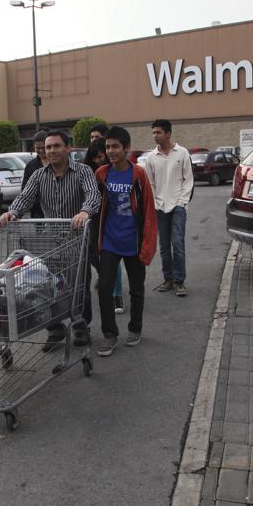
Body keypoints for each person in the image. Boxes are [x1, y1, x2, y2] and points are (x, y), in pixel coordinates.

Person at [0, 130, 101, 351]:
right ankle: (54, 328)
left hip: (77, 239)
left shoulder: (82, 171)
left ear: (68, 148)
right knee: (46, 284)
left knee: (77, 285)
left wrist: (84, 211)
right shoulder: (39, 175)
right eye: (48, 147)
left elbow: (93, 195)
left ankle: (80, 326)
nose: (52, 151)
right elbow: (25, 197)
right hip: (49, 241)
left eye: (56, 146)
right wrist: (13, 212)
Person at [94, 126, 157, 357]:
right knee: (104, 288)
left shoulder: (138, 174)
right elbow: (95, 207)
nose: (110, 151)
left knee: (137, 289)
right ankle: (110, 334)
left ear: (126, 148)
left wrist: (148, 245)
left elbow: (149, 210)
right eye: (108, 147)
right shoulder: (101, 173)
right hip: (110, 242)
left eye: (115, 147)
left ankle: (135, 328)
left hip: (133, 243)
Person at [140, 119, 194, 296]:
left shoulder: (182, 153)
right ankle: (168, 279)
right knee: (163, 245)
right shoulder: (151, 158)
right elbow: (150, 183)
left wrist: (182, 202)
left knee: (177, 244)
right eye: (153, 132)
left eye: (158, 132)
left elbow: (188, 180)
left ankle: (179, 281)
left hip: (178, 206)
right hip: (160, 207)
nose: (155, 136)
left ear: (168, 133)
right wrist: (155, 204)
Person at [83, 138, 125, 314]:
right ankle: (104, 278)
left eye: (100, 157)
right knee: (92, 255)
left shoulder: (113, 172)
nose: (98, 161)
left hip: (110, 220)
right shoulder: (87, 172)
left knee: (112, 259)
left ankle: (117, 295)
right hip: (92, 220)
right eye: (94, 158)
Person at [20, 129, 49, 218]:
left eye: (43, 147)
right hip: (37, 211)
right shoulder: (31, 165)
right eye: (37, 148)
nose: (40, 150)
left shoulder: (57, 162)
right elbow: (24, 191)